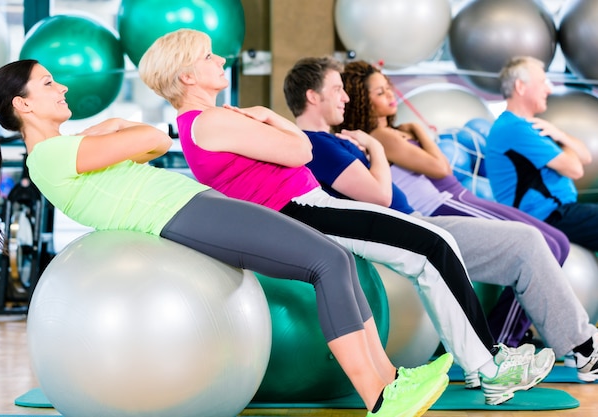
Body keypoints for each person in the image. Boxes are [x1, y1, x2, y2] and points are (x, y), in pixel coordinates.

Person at [0, 60, 452, 417]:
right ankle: (379, 396)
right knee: (324, 262)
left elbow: (142, 146)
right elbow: (156, 141)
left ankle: (391, 379)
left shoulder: (69, 148)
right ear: (22, 104)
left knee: (336, 259)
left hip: (194, 204)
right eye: (48, 83)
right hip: (182, 214)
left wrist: (109, 132)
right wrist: (116, 126)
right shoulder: (52, 156)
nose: (62, 87)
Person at [138, 28, 556, 406]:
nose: (220, 60)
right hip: (302, 210)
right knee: (432, 246)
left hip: (308, 205)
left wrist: (268, 120)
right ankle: (487, 368)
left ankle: (482, 361)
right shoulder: (209, 120)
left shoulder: (204, 122)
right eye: (208, 57)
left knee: (430, 245)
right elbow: (301, 151)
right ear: (187, 76)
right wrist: (268, 116)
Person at [281, 55, 598, 384]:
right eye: (336, 89)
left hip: (417, 223)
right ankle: (573, 348)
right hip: (411, 227)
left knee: (529, 241)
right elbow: (380, 196)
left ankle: (567, 346)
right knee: (529, 241)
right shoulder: (319, 144)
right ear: (312, 96)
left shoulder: (337, 140)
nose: (345, 96)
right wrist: (374, 146)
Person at [337, 60, 572, 350]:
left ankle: (508, 336)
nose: (390, 96)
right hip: (446, 203)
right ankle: (505, 340)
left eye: (389, 88)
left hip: (458, 197)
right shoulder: (383, 136)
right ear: (363, 100)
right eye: (380, 92)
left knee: (555, 242)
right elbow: (441, 168)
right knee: (547, 244)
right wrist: (420, 131)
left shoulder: (392, 134)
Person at [487, 55, 598, 255]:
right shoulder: (514, 128)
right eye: (542, 82)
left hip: (557, 213)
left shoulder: (529, 127)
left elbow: (586, 156)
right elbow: (575, 168)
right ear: (520, 87)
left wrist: (559, 134)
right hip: (547, 218)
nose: (549, 89)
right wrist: (564, 142)